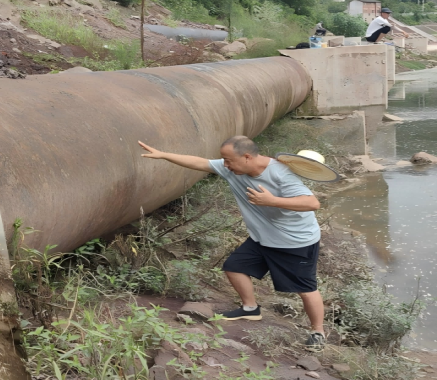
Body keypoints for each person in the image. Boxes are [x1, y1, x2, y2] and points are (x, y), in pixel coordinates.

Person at [138, 136, 326, 352]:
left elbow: (312, 203)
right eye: (224, 160)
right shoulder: (233, 168)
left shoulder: (280, 174)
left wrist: (272, 201)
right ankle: (250, 308)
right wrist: (163, 155)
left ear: (247, 157)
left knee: (305, 289)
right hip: (262, 237)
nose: (225, 165)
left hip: (294, 241)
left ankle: (318, 332)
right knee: (234, 267)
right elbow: (201, 163)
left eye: (228, 160)